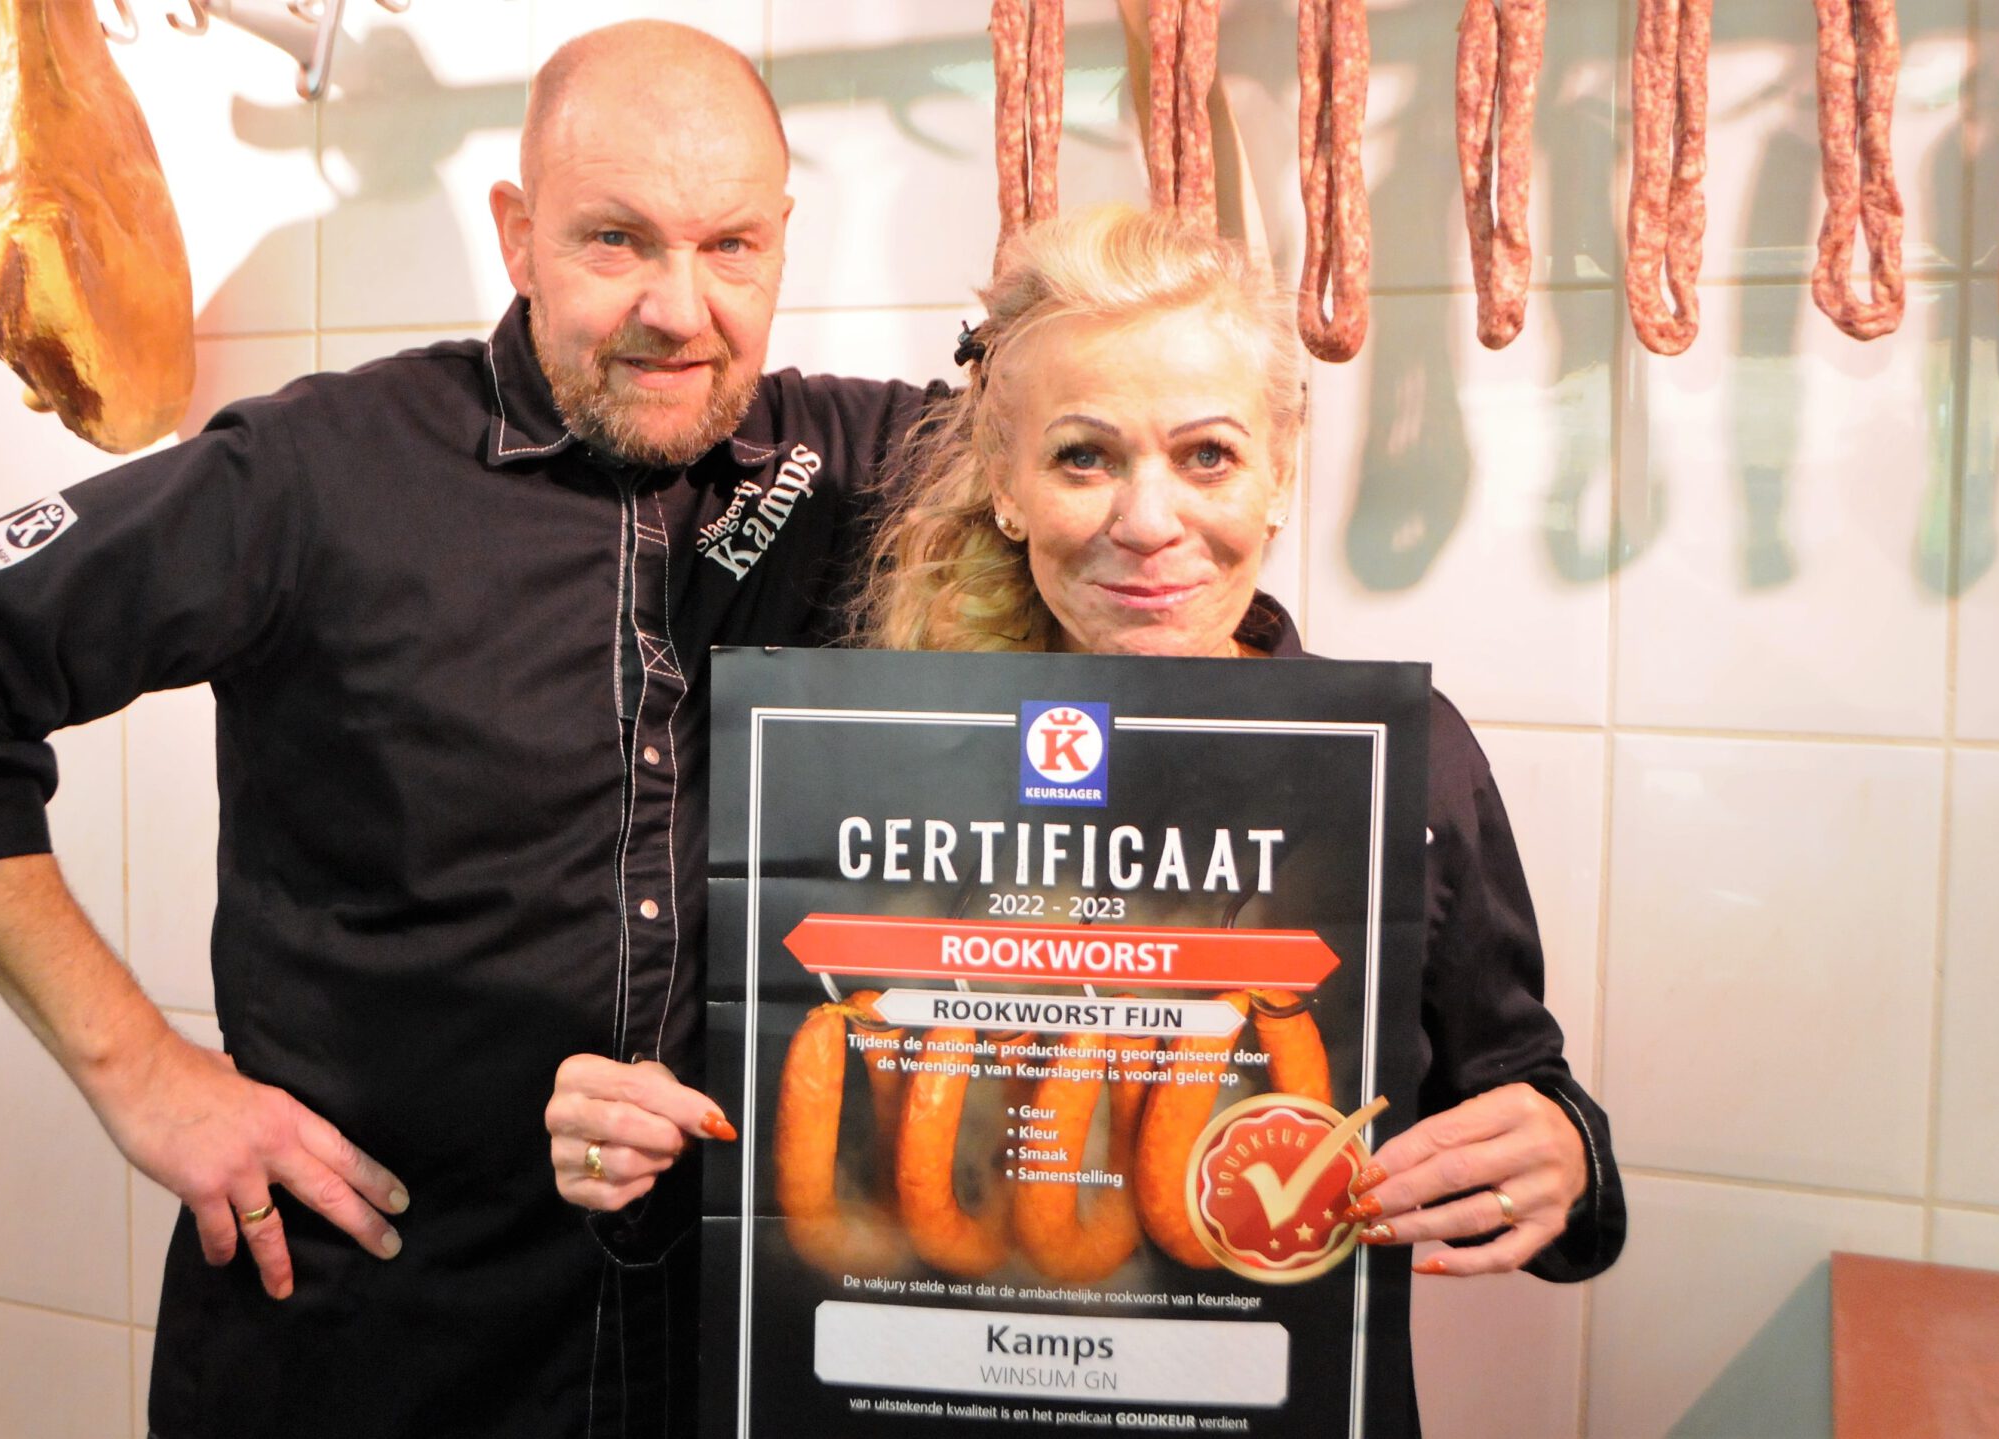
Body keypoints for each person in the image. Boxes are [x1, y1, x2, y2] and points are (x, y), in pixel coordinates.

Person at [0, 21, 937, 1439]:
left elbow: (1117, 473)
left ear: (781, 242)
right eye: (616, 240)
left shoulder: (853, 463)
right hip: (367, 1341)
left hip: (707, 1359)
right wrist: (142, 1074)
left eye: (732, 247)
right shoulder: (319, 472)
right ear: (517, 236)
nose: (680, 306)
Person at [553, 206, 1623, 1429]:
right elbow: (756, 1149)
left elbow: (1526, 1106)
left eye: (1207, 455)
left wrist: (1561, 1157)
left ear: (1278, 472)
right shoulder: (860, 769)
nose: (1148, 520)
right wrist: (624, 1143)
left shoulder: (1402, 765)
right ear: (1006, 484)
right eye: (1082, 458)